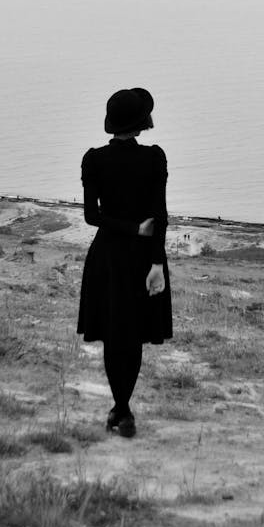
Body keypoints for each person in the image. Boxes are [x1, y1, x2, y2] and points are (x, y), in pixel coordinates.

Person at [77, 87, 172, 438]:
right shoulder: (154, 158)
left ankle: (121, 408)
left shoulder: (94, 159)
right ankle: (123, 408)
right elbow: (159, 217)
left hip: (107, 256)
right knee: (132, 337)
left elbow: (91, 216)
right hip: (143, 257)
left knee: (114, 336)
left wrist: (127, 227)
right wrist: (156, 263)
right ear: (142, 122)